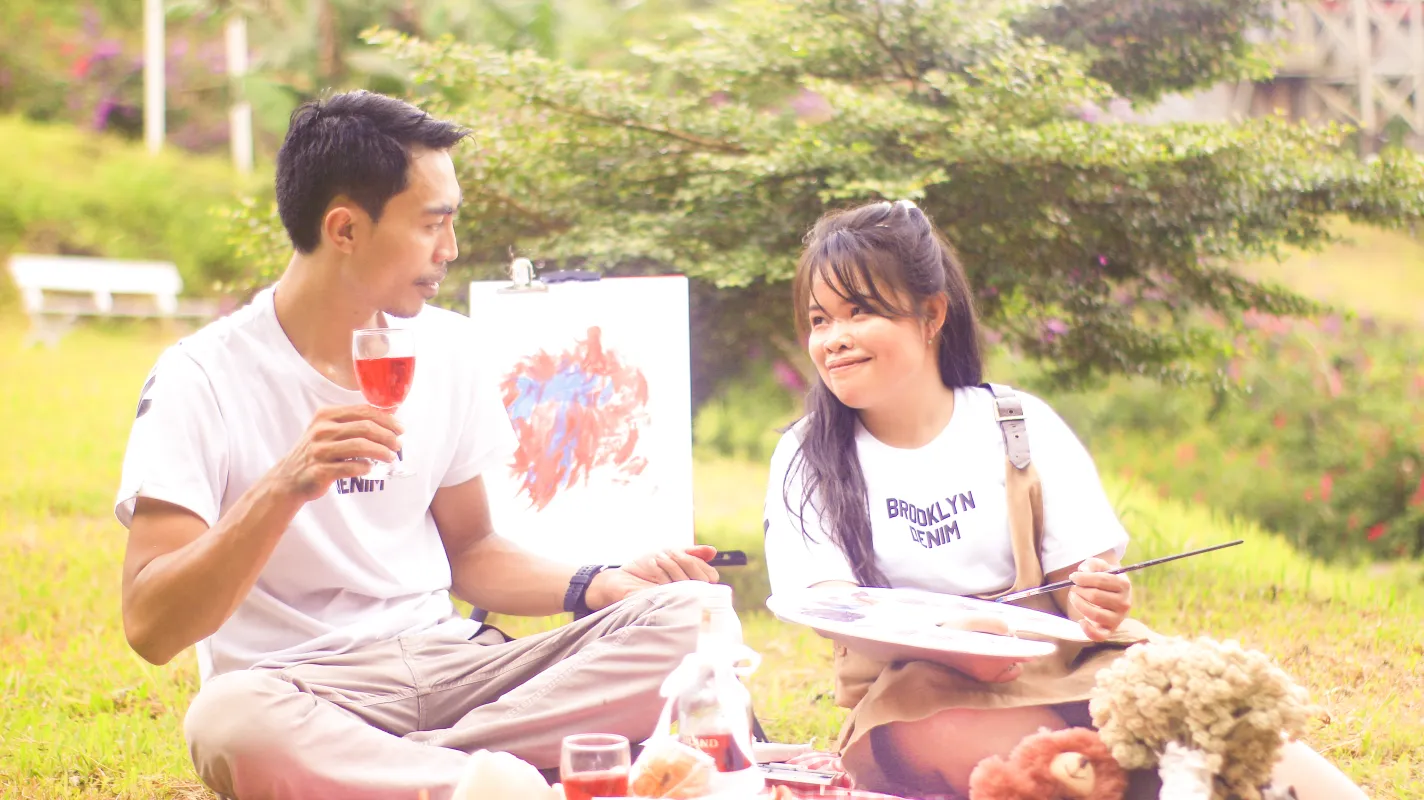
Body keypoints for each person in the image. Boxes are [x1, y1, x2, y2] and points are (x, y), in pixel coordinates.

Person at [115, 90, 722, 800]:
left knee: (689, 620)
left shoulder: (449, 347)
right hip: (300, 685)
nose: (450, 250)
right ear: (344, 228)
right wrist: (282, 488)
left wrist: (600, 583)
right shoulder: (202, 376)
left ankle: (422, 775)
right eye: (433, 224)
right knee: (228, 723)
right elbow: (151, 625)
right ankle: (489, 778)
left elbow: (472, 551)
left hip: (455, 667)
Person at [762, 200, 1368, 800]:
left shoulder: (1016, 423)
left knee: (1217, 728)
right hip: (920, 698)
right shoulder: (808, 454)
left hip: (1062, 667)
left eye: (859, 311)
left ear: (932, 314)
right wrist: (955, 633)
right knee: (1064, 769)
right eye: (820, 320)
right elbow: (832, 607)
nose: (834, 340)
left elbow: (1079, 584)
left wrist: (1095, 597)